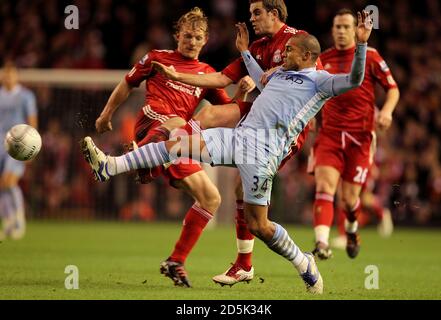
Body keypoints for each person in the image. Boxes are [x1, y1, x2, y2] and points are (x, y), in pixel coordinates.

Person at [81, 11, 374, 295]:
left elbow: (355, 80)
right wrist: (246, 53)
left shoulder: (321, 82)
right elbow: (259, 78)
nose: (284, 54)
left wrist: (361, 45)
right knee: (178, 142)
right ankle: (110, 166)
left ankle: (302, 261)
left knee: (259, 224)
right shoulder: (280, 75)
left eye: (291, 51)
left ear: (307, 56)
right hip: (237, 138)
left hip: (262, 154)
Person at [149, 0, 323, 287]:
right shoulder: (255, 48)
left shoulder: (295, 42)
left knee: (253, 211)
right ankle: (244, 264)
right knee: (215, 126)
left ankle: (266, 262)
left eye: (257, 13)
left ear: (274, 14)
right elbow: (219, 78)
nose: (251, 19)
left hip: (279, 133)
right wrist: (176, 74)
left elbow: (317, 77)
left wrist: (312, 114)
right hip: (256, 118)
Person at [92, 7, 254, 287]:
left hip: (177, 143)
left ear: (205, 41)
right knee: (180, 122)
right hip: (153, 123)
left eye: (198, 37)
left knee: (211, 198)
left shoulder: (206, 74)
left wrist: (241, 92)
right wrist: (107, 114)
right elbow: (127, 83)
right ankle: (142, 159)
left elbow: (226, 112)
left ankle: (176, 260)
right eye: (187, 36)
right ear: (177, 36)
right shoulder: (157, 58)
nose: (192, 41)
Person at [307, 9, 399, 259]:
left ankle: (351, 229)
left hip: (361, 137)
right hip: (331, 134)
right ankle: (322, 243)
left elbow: (392, 89)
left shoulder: (370, 56)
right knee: (325, 186)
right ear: (332, 30)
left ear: (354, 29)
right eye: (337, 27)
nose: (341, 31)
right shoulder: (322, 59)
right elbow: (309, 94)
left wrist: (387, 112)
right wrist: (308, 119)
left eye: (346, 27)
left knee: (349, 200)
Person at [0, 61, 38, 240]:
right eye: (4, 73)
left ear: (16, 75)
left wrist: (33, 148)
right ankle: (7, 222)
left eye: (10, 73)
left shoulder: (26, 96)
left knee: (9, 181)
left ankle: (18, 220)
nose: (7, 76)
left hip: (18, 143)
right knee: (2, 184)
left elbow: (32, 120)